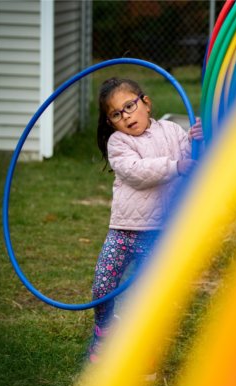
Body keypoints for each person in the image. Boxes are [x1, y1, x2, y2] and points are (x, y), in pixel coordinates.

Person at [87, 77, 203, 365]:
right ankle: (105, 332)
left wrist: (196, 139)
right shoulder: (119, 143)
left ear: (146, 104)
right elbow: (136, 172)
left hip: (158, 235)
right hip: (124, 231)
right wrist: (174, 166)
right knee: (103, 285)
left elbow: (191, 159)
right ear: (111, 123)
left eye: (129, 106)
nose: (125, 116)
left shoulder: (173, 131)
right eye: (116, 114)